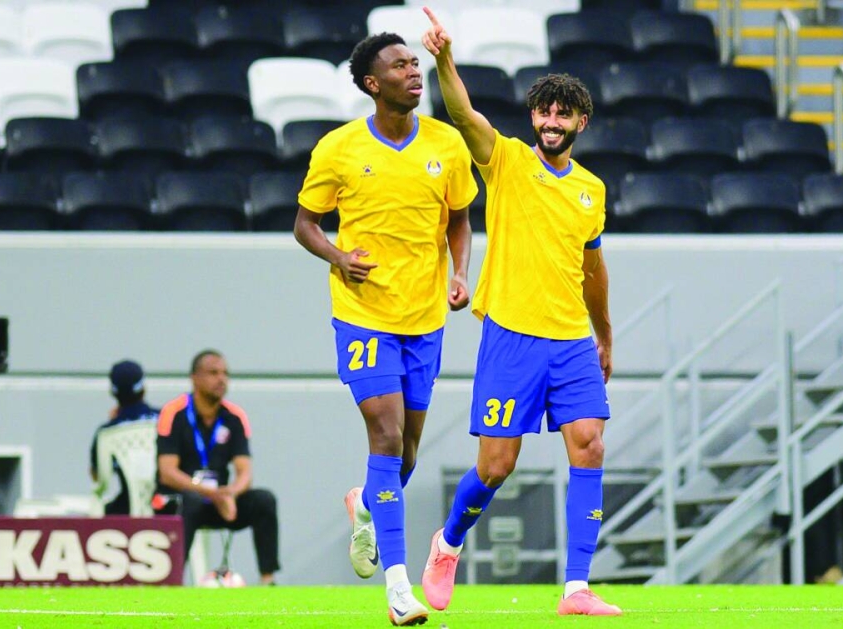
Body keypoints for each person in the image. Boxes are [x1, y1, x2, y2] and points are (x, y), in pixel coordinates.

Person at [419, 8, 621, 617]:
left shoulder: (592, 190)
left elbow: (591, 269)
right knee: (497, 465)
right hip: (512, 336)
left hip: (572, 341)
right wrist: (444, 59)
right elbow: (462, 114)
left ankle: (576, 588)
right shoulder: (506, 159)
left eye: (564, 114)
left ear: (581, 122)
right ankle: (448, 543)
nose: (552, 122)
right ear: (533, 118)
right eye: (544, 112)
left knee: (589, 444)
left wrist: (604, 333)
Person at [293, 29, 477, 627]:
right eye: (400, 66)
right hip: (363, 315)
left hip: (423, 317)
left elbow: (459, 219)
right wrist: (338, 257)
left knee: (408, 449)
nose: (414, 72)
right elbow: (305, 224)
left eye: (415, 63)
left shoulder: (446, 143)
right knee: (387, 433)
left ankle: (367, 505)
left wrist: (460, 273)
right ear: (373, 84)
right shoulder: (339, 148)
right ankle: (398, 589)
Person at [154, 349, 279, 586]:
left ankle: (268, 579)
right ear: (195, 378)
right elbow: (167, 473)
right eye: (213, 373)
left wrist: (231, 493)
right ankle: (172, 582)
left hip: (219, 501)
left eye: (225, 373)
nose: (221, 379)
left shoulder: (234, 416)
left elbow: (245, 472)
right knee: (190, 501)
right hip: (178, 500)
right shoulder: (174, 413)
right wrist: (212, 493)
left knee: (264, 500)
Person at [89, 359, 160, 515]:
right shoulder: (165, 420)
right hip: (168, 507)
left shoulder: (107, 433)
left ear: (113, 392)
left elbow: (97, 476)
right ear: (144, 389)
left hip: (128, 510)